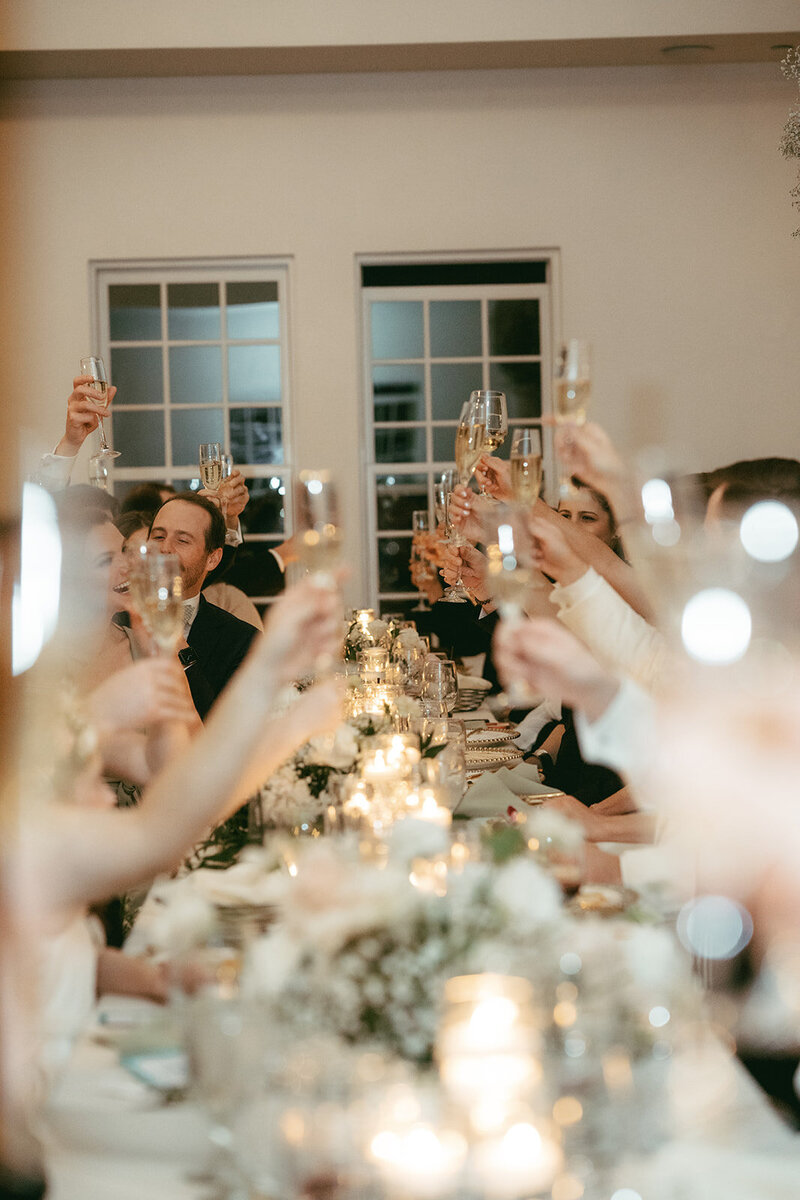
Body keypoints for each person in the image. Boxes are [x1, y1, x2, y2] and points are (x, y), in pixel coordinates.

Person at [147, 493, 260, 718]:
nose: (166, 549)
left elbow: (221, 727)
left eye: (183, 540)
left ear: (213, 559)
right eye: (159, 536)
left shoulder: (241, 641)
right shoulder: (112, 623)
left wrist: (178, 646)